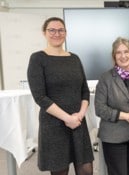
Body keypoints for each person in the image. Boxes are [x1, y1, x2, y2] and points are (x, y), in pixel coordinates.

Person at [27, 17, 94, 175]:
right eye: (52, 30)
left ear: (66, 33)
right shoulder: (38, 58)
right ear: (44, 33)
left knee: (86, 169)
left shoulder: (74, 58)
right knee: (60, 171)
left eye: (61, 30)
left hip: (77, 123)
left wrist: (80, 115)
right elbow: (40, 96)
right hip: (53, 125)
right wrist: (67, 118)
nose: (56, 33)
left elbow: (84, 90)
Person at [94, 37, 129, 175]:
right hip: (113, 136)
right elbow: (100, 108)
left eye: (126, 51)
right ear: (114, 56)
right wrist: (126, 116)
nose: (123, 56)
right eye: (118, 52)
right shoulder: (106, 78)